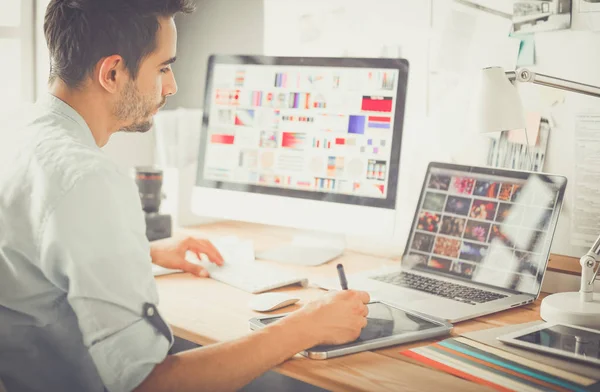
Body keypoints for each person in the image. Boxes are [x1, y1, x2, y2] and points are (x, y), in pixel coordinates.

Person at [0, 1, 370, 391]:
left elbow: (29, 255)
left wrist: (140, 251)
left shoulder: (17, 134)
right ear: (111, 72)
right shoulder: (88, 179)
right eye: (162, 67)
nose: (172, 85)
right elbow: (147, 384)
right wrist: (307, 326)